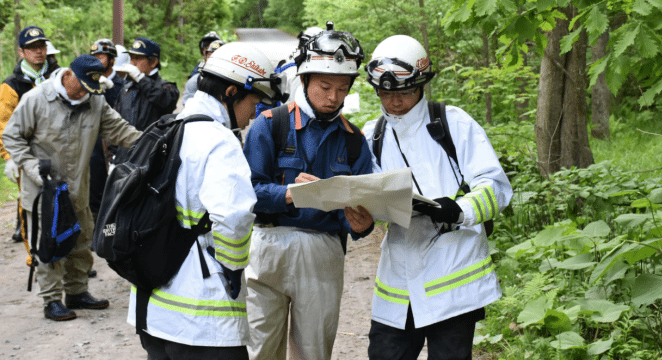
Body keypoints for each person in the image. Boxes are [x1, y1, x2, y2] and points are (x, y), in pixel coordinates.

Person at [361, 35, 513, 360]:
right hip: (397, 284)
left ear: (422, 85)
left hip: (454, 282)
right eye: (385, 94)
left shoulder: (453, 123)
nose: (394, 103)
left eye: (403, 93)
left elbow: (496, 187)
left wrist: (460, 210)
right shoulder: (371, 135)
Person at [128, 42, 284, 359]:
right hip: (202, 318)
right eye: (254, 101)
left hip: (152, 310)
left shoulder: (168, 127)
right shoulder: (220, 141)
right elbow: (234, 221)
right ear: (230, 92)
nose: (255, 113)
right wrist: (232, 272)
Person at [243, 22, 375, 360]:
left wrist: (362, 226)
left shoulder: (354, 141)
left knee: (314, 352)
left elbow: (360, 209)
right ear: (304, 80)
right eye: (325, 86)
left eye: (342, 88)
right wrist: (287, 193)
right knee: (258, 351)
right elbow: (246, 194)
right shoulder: (270, 124)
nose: (333, 98)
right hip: (267, 247)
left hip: (322, 251)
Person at [2, 55, 142, 321]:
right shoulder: (36, 100)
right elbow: (12, 136)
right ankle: (52, 300)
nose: (86, 94)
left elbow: (119, 130)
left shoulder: (94, 100)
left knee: (81, 239)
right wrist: (31, 168)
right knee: (50, 243)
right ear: (68, 75)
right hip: (44, 191)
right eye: (83, 87)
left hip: (78, 187)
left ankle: (77, 292)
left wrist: (151, 141)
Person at [0, 26, 60, 245]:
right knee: (30, 205)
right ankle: (34, 254)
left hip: (59, 150)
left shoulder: (59, 77)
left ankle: (66, 256)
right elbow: (3, 124)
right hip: (27, 155)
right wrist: (9, 157)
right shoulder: (11, 85)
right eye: (32, 47)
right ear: (21, 52)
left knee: (64, 202)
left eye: (42, 46)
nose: (38, 51)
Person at [112, 37, 179, 162]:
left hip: (150, 159)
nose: (132, 63)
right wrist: (113, 156)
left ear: (153, 62)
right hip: (124, 159)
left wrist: (140, 78)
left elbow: (164, 100)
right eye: (132, 58)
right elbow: (116, 122)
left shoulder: (167, 88)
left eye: (138, 58)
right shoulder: (127, 88)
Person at [89, 39, 127, 220]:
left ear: (112, 60)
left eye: (101, 56)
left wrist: (109, 91)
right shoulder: (87, 83)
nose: (97, 60)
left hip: (115, 142)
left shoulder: (122, 85)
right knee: (93, 185)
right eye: (94, 56)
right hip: (93, 144)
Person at [181, 39, 223, 106]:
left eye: (217, 55)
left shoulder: (234, 83)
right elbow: (188, 108)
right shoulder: (195, 82)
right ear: (205, 57)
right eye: (209, 54)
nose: (212, 58)